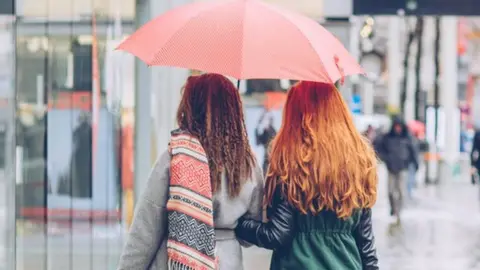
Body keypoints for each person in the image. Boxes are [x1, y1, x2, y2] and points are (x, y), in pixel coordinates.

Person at [117, 73, 264, 270]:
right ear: (234, 111)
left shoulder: (177, 156)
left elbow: (146, 230)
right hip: (228, 262)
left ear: (191, 107)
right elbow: (250, 236)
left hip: (177, 260)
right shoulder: (249, 164)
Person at [235, 81, 379, 270]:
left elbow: (276, 234)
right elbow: (366, 247)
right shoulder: (359, 162)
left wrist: (238, 223)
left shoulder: (291, 163)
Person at [375, 116, 418, 221]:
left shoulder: (407, 138)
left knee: (401, 191)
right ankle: (393, 208)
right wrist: (386, 158)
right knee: (390, 191)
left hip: (403, 167)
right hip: (391, 167)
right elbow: (378, 148)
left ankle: (398, 211)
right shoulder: (387, 138)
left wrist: (415, 163)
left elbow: (413, 151)